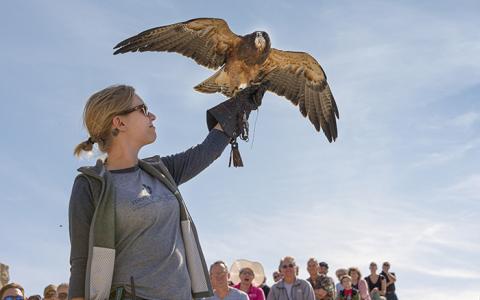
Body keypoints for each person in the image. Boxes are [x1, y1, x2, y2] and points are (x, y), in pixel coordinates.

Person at [68, 84, 266, 300]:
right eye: (143, 110)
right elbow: (81, 264)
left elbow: (206, 151)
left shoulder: (161, 171)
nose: (152, 116)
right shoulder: (91, 185)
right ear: (119, 122)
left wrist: (240, 104)